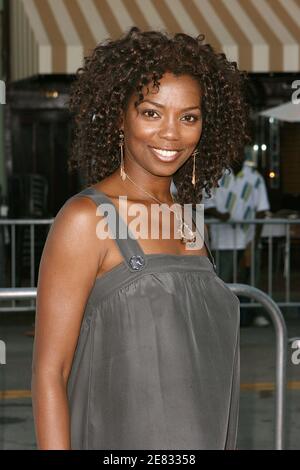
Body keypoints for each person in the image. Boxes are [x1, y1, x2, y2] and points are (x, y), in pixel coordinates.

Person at [31, 27, 250, 450]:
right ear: (120, 116)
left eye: (189, 116)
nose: (171, 134)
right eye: (152, 112)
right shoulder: (86, 218)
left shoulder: (186, 221)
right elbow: (49, 372)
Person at [202, 158, 270, 326]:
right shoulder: (215, 174)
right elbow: (204, 203)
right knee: (224, 279)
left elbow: (261, 210)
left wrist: (255, 241)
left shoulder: (254, 177)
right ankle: (221, 317)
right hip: (224, 240)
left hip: (248, 239)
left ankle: (252, 315)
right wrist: (219, 214)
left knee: (251, 279)